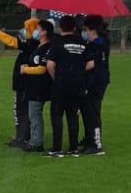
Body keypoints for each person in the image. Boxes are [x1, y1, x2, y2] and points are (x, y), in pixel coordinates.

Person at [0, 17, 39, 146]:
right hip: (32, 82)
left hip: (22, 83)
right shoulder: (37, 45)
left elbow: (8, 40)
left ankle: (21, 138)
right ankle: (27, 135)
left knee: (20, 110)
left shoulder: (29, 44)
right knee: (28, 110)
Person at [45, 14, 91, 156]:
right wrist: (79, 72)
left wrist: (56, 78)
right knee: (73, 116)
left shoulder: (57, 42)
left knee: (57, 115)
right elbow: (90, 63)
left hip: (61, 83)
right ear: (74, 27)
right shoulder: (82, 43)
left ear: (60, 28)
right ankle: (73, 148)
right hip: (78, 84)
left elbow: (50, 65)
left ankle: (57, 148)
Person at [18, 20, 52, 152]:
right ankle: (34, 139)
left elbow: (42, 69)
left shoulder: (46, 47)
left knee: (35, 114)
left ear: (44, 32)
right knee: (33, 114)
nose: (35, 31)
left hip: (40, 86)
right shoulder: (39, 46)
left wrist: (26, 69)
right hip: (33, 86)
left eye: (38, 29)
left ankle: (36, 143)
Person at [79, 16, 107, 155]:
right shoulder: (96, 43)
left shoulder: (97, 45)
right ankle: (89, 139)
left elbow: (91, 64)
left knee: (92, 113)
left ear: (92, 30)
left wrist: (76, 70)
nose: (85, 33)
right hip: (94, 81)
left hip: (95, 83)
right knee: (87, 112)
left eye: (86, 30)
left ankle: (96, 145)